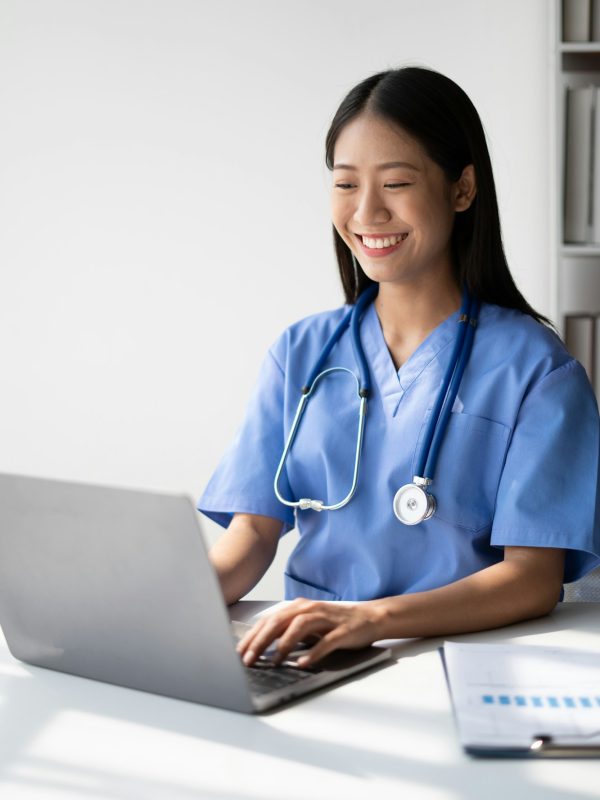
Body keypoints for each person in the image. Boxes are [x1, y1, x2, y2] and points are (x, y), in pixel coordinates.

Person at [198, 66, 600, 670]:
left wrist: (369, 620)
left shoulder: (537, 371)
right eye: (345, 184)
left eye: (396, 183)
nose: (366, 212)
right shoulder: (301, 352)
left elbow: (532, 579)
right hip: (311, 659)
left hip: (459, 659)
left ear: (462, 189)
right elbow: (252, 536)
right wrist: (156, 608)